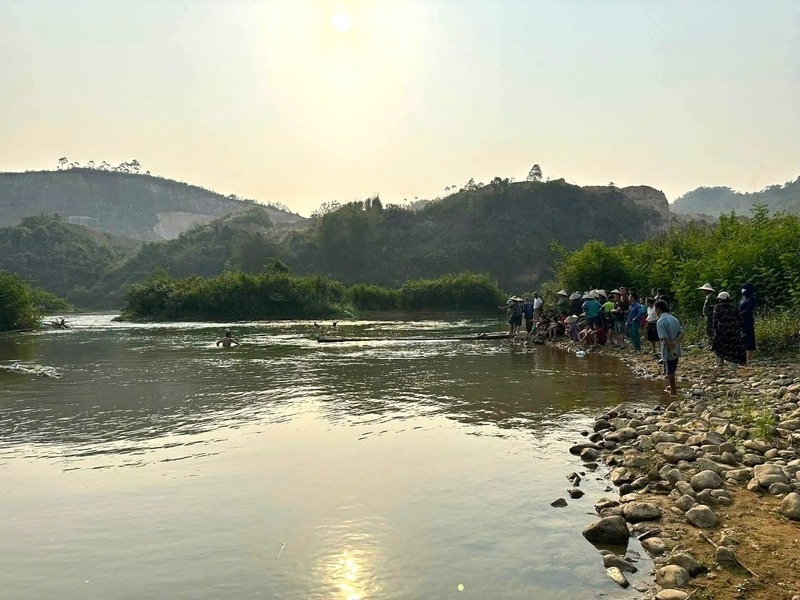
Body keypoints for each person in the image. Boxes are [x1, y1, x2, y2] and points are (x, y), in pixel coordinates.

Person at [712, 292, 746, 369]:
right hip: (733, 329)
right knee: (733, 348)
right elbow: (740, 319)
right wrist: (741, 329)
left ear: (720, 299)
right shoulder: (734, 307)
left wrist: (714, 329)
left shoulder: (717, 307)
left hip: (722, 330)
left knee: (719, 347)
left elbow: (715, 319)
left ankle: (720, 365)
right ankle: (733, 367)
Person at [655, 300, 683, 397]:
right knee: (673, 368)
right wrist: (675, 342)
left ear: (658, 309)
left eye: (656, 309)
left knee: (669, 370)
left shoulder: (660, 321)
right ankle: (672, 387)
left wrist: (671, 349)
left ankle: (673, 391)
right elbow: (681, 333)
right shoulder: (674, 318)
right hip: (677, 347)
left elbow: (664, 337)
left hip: (668, 349)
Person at [739, 282, 757, 362]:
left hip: (748, 320)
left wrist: (740, 314)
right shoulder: (743, 298)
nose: (743, 290)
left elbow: (749, 309)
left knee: (749, 337)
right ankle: (743, 355)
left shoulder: (752, 298)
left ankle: (749, 357)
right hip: (741, 320)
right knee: (742, 337)